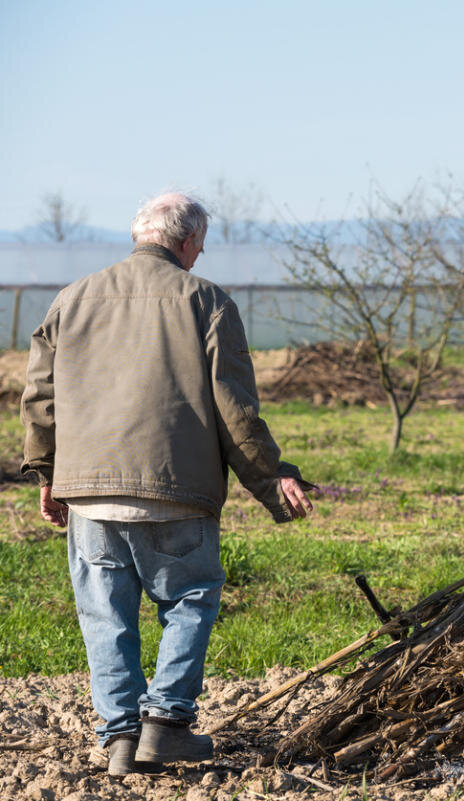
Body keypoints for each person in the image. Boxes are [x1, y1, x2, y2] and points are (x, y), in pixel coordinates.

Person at [20, 191, 314, 777]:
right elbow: (235, 409)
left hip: (92, 494)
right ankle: (167, 722)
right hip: (176, 489)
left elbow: (41, 399)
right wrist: (271, 477)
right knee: (191, 598)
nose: (200, 255)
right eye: (200, 245)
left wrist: (49, 474)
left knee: (105, 617)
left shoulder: (71, 299)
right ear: (184, 241)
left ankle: (121, 740)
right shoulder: (206, 301)